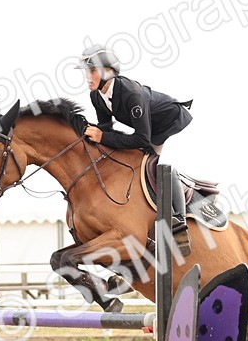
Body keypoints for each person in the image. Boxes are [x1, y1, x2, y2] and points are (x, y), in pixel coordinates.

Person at [77, 44, 193, 247]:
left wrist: (103, 137)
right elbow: (106, 129)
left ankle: (179, 223)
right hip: (146, 129)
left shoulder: (131, 93)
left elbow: (142, 140)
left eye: (92, 70)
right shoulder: (96, 95)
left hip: (168, 120)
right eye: (87, 71)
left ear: (108, 71)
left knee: (153, 163)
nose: (87, 76)